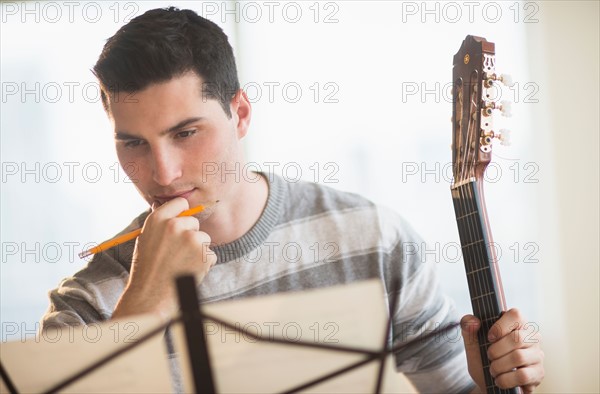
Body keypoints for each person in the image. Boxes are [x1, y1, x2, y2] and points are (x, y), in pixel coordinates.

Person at [41, 7, 544, 393]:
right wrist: (146, 298)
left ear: (239, 114)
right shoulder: (86, 303)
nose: (164, 172)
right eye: (133, 144)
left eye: (186, 132)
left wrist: (490, 380)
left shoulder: (374, 241)